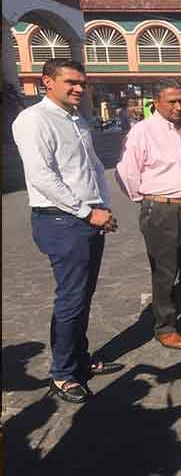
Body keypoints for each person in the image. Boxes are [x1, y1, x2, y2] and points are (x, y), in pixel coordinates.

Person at [11, 58, 121, 404]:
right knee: (71, 299)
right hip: (62, 221)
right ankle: (61, 374)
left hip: (88, 217)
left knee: (83, 296)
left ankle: (79, 359)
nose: (79, 88)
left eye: (82, 83)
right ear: (47, 81)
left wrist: (102, 206)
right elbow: (42, 176)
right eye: (71, 82)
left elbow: (92, 168)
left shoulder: (76, 119)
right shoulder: (33, 120)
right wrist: (88, 212)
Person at [115, 79, 181, 350]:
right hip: (162, 209)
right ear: (156, 103)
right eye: (172, 101)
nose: (178, 106)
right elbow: (127, 171)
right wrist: (148, 200)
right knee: (165, 271)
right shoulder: (143, 132)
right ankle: (166, 326)